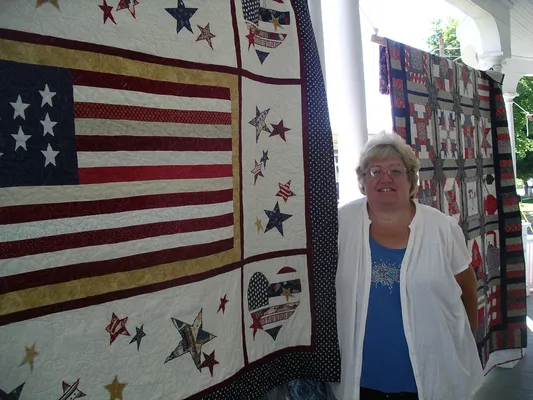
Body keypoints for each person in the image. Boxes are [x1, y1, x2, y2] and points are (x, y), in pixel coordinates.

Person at [331, 133, 484, 400]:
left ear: (412, 179)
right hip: (359, 378)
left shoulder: (442, 229)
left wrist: (462, 344)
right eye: (375, 170)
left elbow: (468, 291)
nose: (385, 178)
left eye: (395, 170)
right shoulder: (340, 223)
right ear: (363, 180)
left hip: (431, 376)